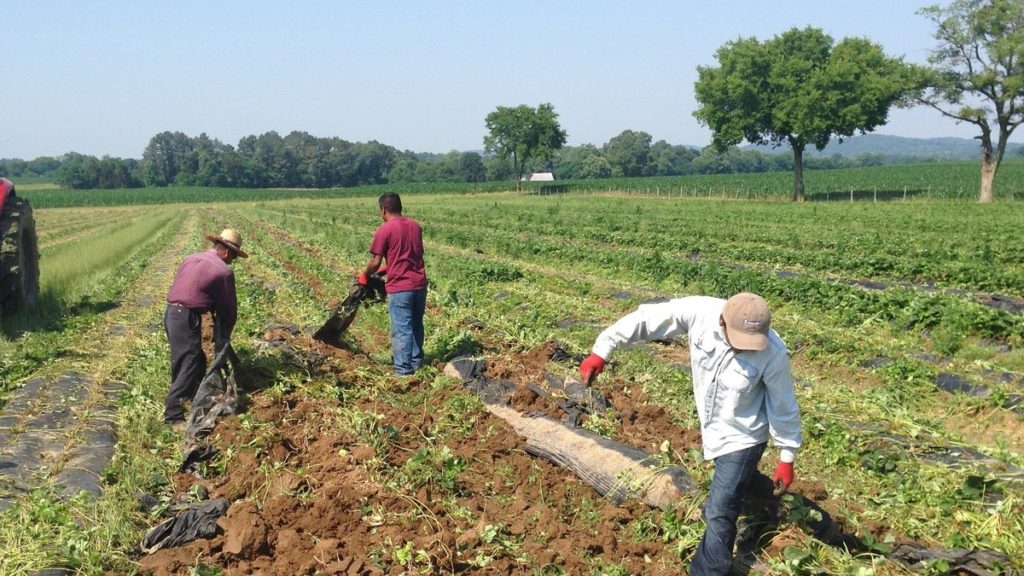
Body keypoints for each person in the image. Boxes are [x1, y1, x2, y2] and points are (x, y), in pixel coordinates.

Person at [579, 292, 801, 576]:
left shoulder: (773, 351)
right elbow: (646, 320)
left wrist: (787, 455)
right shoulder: (698, 312)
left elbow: (783, 406)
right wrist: (602, 350)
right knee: (734, 485)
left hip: (744, 437)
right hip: (714, 429)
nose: (747, 349)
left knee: (719, 511)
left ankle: (708, 571)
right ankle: (769, 500)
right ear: (722, 321)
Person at [164, 229, 246, 429]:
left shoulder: (191, 258)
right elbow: (228, 308)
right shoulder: (223, 271)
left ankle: (196, 397)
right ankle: (173, 414)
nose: (232, 261)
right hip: (186, 316)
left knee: (194, 358)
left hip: (171, 313)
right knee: (189, 361)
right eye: (233, 257)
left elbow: (189, 286)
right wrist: (225, 332)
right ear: (227, 252)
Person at [360, 192, 428, 376]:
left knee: (402, 329)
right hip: (420, 284)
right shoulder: (415, 226)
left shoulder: (385, 229)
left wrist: (365, 275)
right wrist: (385, 270)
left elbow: (375, 262)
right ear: (400, 207)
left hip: (401, 287)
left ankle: (403, 371)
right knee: (416, 324)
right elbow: (408, 256)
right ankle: (416, 363)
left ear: (383, 210)